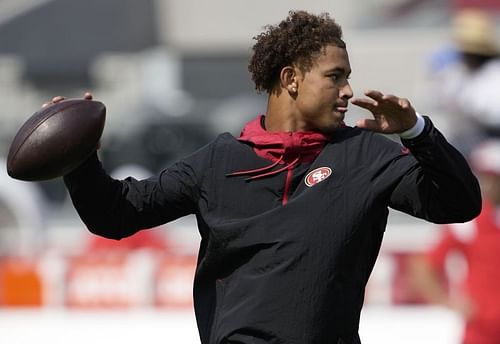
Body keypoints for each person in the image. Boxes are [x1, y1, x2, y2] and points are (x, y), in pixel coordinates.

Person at [47, 10, 481, 344]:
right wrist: (78, 158)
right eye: (335, 77)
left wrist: (417, 132)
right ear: (291, 79)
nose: (348, 90)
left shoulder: (367, 155)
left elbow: (458, 204)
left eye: (347, 77)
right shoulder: (218, 161)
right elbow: (116, 215)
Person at [408, 139, 500, 344]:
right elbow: (423, 265)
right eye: (485, 177)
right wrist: (448, 302)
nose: (487, 184)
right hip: (482, 333)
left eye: (493, 178)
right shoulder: (470, 222)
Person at [426, 9, 500, 158]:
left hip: (490, 142)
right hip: (460, 142)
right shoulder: (455, 72)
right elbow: (434, 100)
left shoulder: (494, 73)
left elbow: (492, 114)